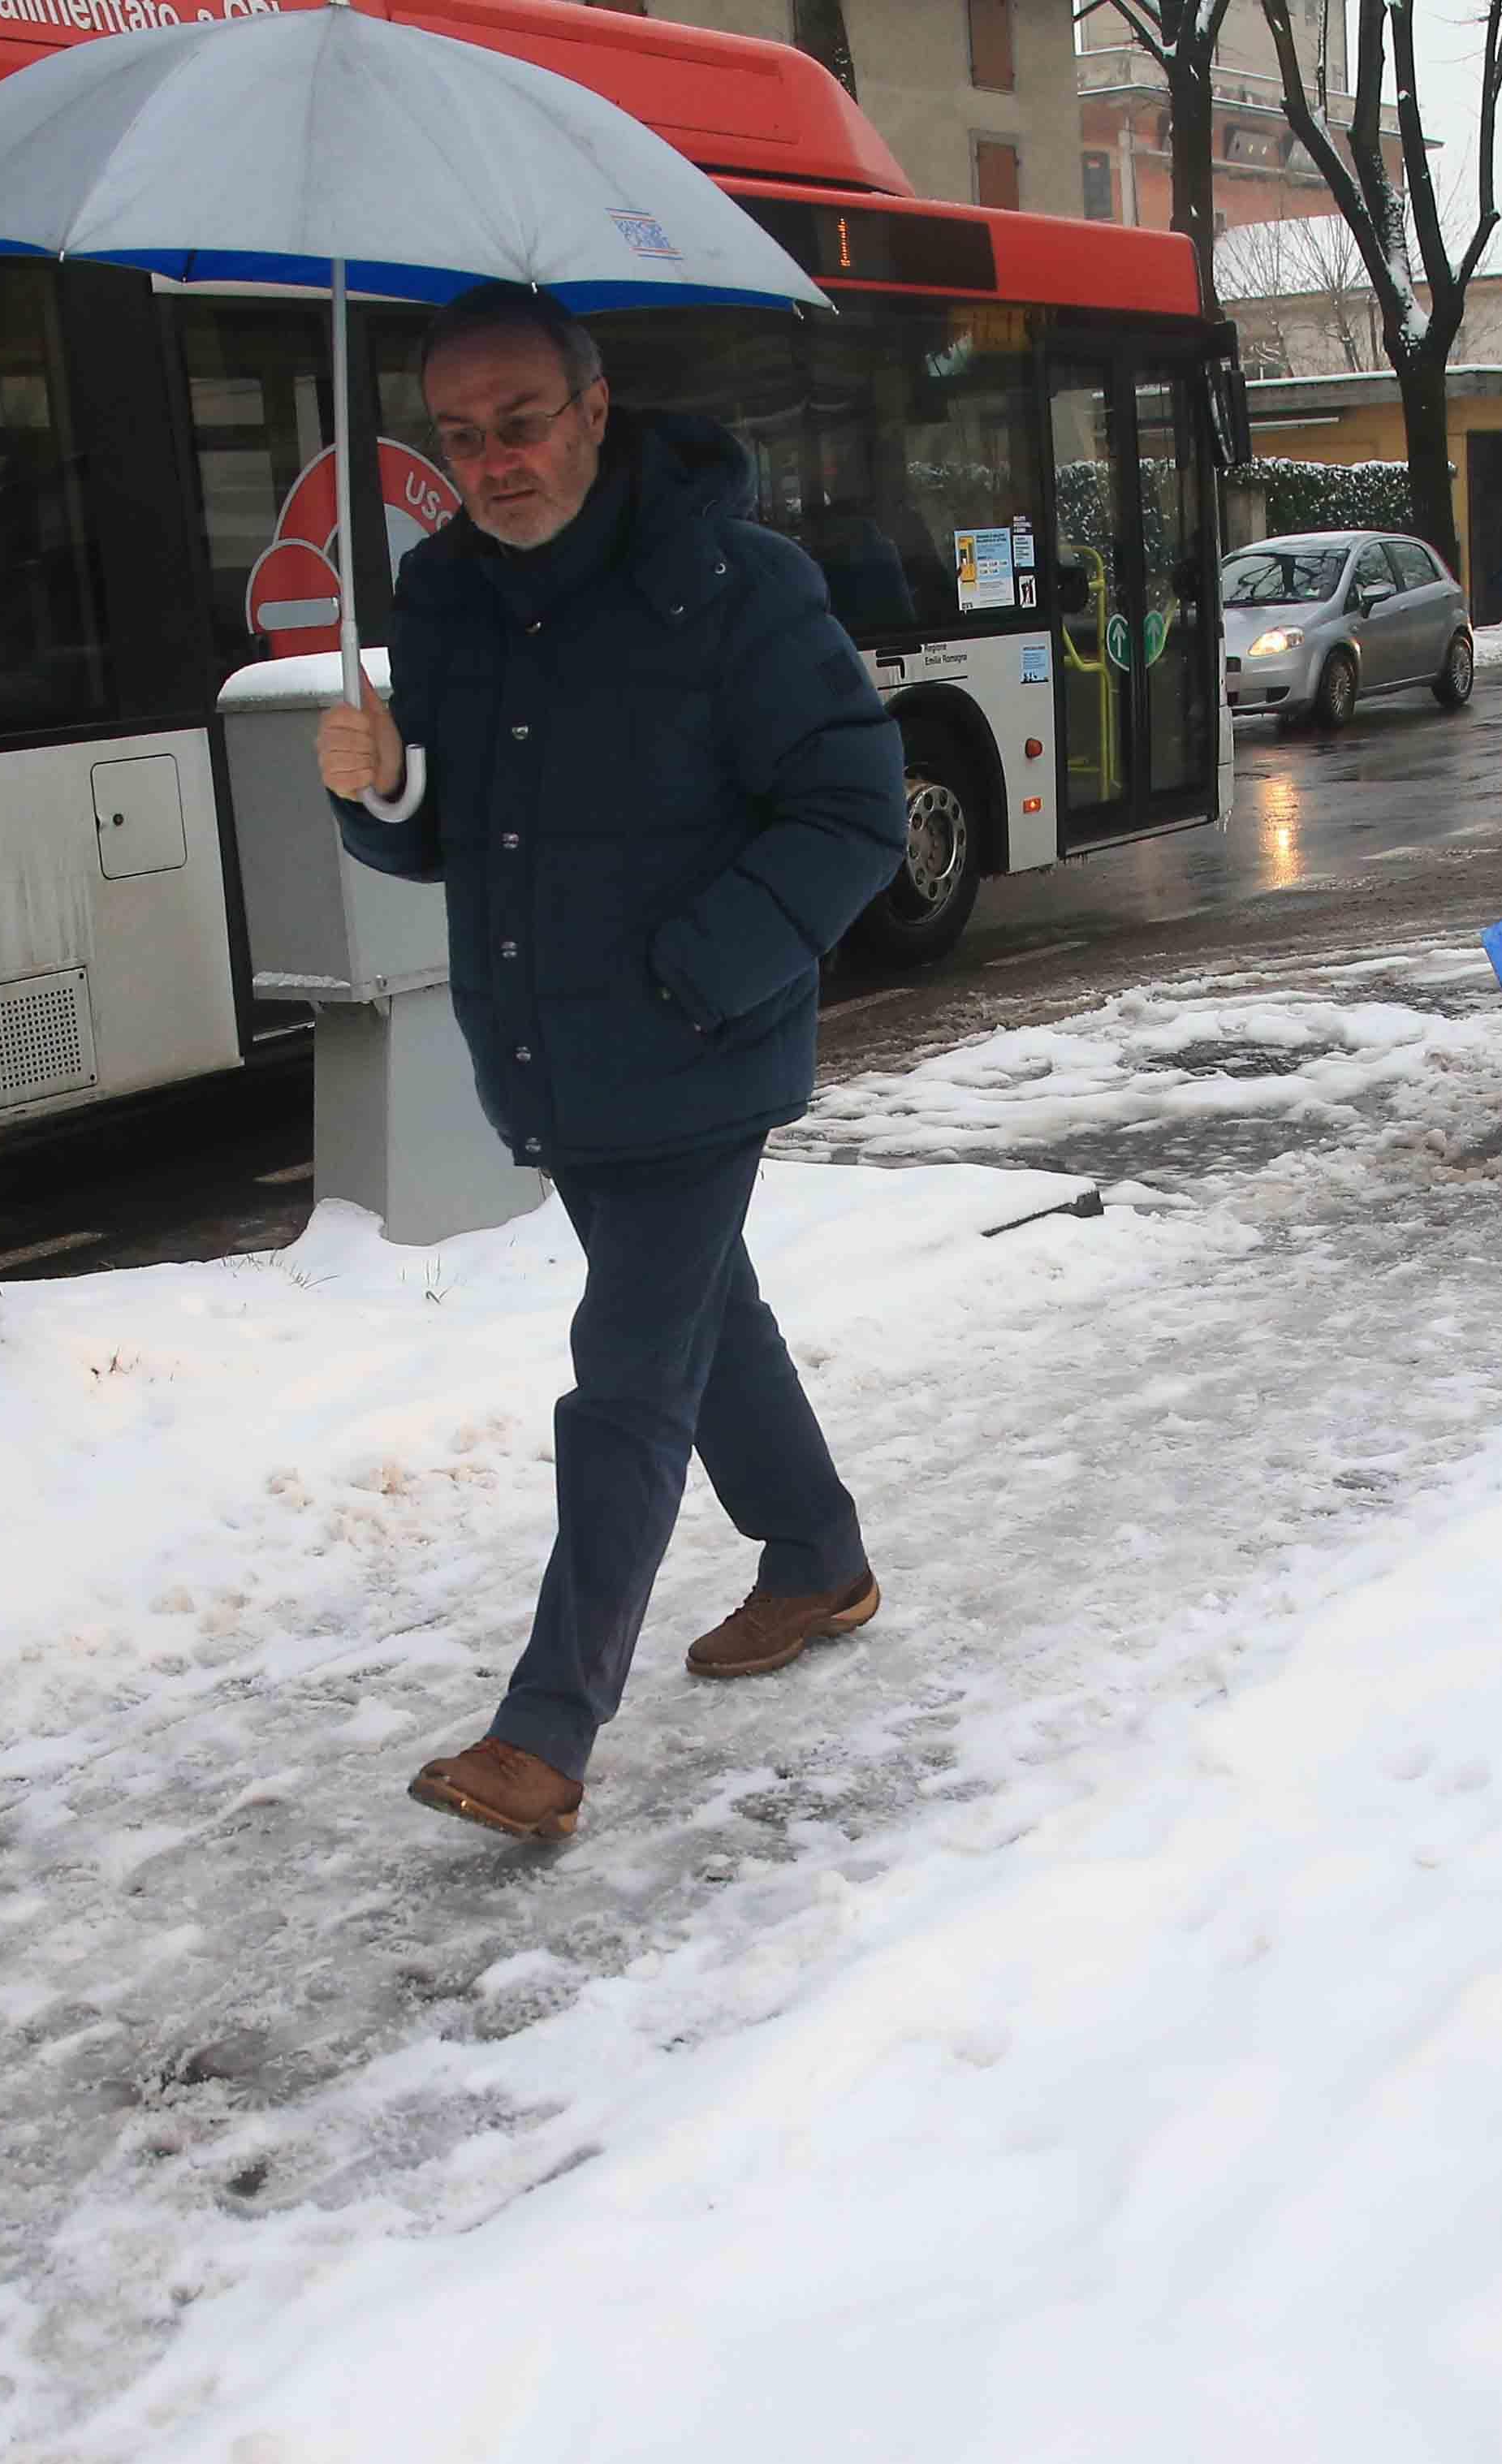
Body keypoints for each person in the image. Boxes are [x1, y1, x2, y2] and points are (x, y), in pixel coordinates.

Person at [315, 284, 909, 1845]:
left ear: (590, 409)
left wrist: (696, 976)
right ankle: (813, 1554)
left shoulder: (732, 586)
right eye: (458, 437)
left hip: (693, 1044)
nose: (493, 460)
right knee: (704, 1308)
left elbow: (854, 808)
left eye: (519, 422)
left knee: (627, 1376)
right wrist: (376, 793)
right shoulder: (443, 597)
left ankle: (546, 1727)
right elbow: (446, 835)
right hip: (544, 1051)